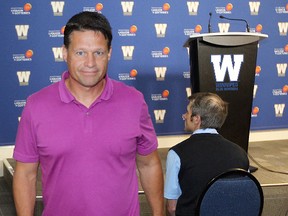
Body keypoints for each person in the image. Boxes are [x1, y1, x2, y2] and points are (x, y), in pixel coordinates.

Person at [13, 11, 164, 216]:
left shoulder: (134, 101)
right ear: (65, 53)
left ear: (109, 53)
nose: (90, 63)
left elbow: (149, 164)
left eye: (99, 53)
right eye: (80, 53)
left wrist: (158, 213)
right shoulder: (36, 106)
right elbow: (25, 175)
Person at [164, 92, 249, 216]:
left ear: (197, 119)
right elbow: (244, 198)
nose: (184, 116)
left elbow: (172, 208)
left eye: (187, 112)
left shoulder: (176, 154)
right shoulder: (241, 154)